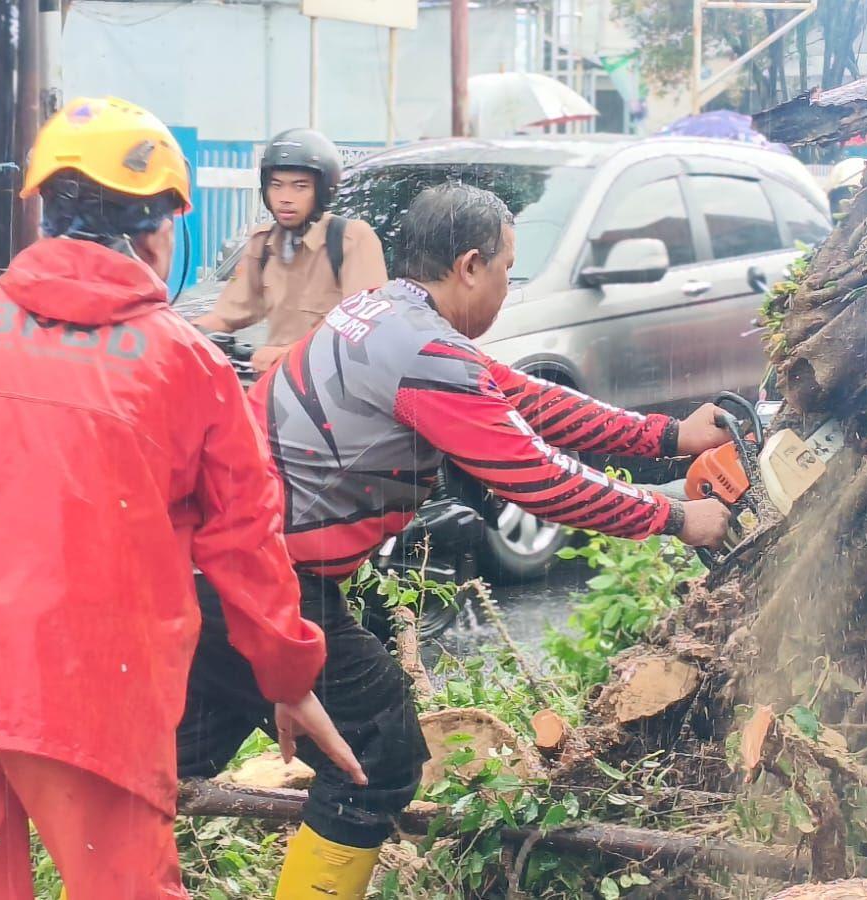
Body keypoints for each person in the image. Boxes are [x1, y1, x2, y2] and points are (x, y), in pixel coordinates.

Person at [0, 97, 363, 900]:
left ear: (43, 215)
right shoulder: (189, 365)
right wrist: (286, 673)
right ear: (159, 232)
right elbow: (246, 539)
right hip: (92, 690)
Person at [178, 182, 734, 900]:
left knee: (171, 763)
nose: (507, 285)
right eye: (507, 268)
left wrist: (668, 435)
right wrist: (676, 517)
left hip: (211, 565)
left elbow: (519, 398)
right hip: (262, 579)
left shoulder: (379, 313)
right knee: (376, 757)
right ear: (471, 266)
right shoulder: (424, 352)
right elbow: (535, 476)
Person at [193, 128, 388, 372]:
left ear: (323, 190)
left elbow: (362, 327)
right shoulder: (264, 243)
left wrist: (289, 354)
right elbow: (228, 314)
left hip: (334, 385)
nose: (285, 198)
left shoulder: (350, 239)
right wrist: (182, 334)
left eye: (300, 186)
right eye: (276, 186)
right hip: (274, 382)